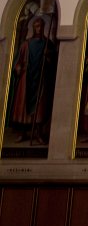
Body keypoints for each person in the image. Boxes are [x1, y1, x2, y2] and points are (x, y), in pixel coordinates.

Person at [8, 16, 57, 144]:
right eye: (36, 26)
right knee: (23, 105)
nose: (38, 29)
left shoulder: (48, 44)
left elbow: (54, 64)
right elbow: (18, 61)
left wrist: (48, 56)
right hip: (26, 79)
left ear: (43, 27)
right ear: (33, 28)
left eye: (40, 26)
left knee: (40, 106)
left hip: (40, 79)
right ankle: (22, 133)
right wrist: (18, 68)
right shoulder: (26, 44)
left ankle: (38, 133)